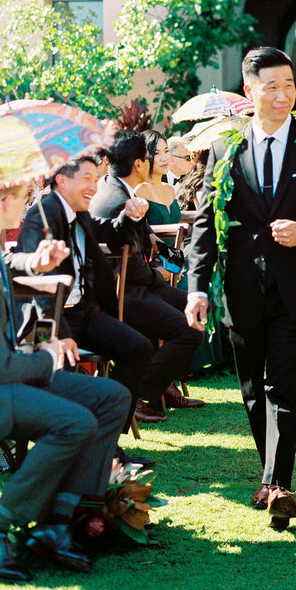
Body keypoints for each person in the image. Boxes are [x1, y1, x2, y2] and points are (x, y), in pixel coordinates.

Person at [186, 46, 296, 530]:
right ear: (249, 91)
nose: (283, 95)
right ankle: (269, 475)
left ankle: (279, 484)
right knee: (251, 389)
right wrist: (197, 289)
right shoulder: (223, 148)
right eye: (272, 86)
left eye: (290, 85)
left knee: (282, 385)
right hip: (241, 291)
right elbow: (203, 224)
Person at [0, 183, 130, 584]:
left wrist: (36, 262)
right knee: (76, 422)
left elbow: (5, 265)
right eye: (23, 196)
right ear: (6, 202)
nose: (30, 204)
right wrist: (47, 354)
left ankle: (56, 520)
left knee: (111, 397)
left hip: (5, 378)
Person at [16, 155, 155, 439]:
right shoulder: (40, 216)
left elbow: (108, 231)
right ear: (62, 180)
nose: (95, 185)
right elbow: (34, 287)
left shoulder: (78, 211)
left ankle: (108, 439)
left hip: (84, 312)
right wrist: (54, 336)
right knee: (62, 369)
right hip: (50, 319)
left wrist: (128, 215)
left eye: (97, 177)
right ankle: (74, 442)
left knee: (138, 347)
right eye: (87, 178)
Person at [90, 131, 204, 421]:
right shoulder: (116, 198)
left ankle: (159, 384)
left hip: (140, 284)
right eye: (151, 155)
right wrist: (161, 275)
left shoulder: (116, 187)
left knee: (199, 309)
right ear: (140, 164)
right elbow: (126, 261)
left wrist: (153, 239)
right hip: (124, 292)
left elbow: (140, 241)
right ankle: (138, 392)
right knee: (188, 328)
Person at [137, 131, 182, 225]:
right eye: (156, 153)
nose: (164, 158)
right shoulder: (140, 189)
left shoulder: (169, 189)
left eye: (166, 151)